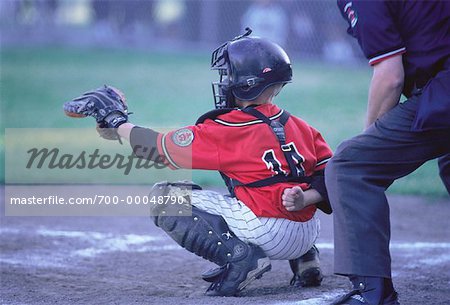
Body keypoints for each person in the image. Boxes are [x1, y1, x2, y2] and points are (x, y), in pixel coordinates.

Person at [63, 29, 333, 297]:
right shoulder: (302, 127)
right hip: (307, 231)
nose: (225, 81)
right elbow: (333, 175)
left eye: (229, 74)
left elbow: (158, 149)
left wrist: (117, 122)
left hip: (268, 233)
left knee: (166, 197)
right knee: (265, 185)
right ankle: (306, 259)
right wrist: (307, 197)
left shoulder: (229, 128)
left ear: (247, 83)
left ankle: (241, 260)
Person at [326, 1, 450, 304]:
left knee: (350, 167)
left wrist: (183, 203)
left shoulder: (189, 137)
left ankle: (373, 296)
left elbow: (390, 75)